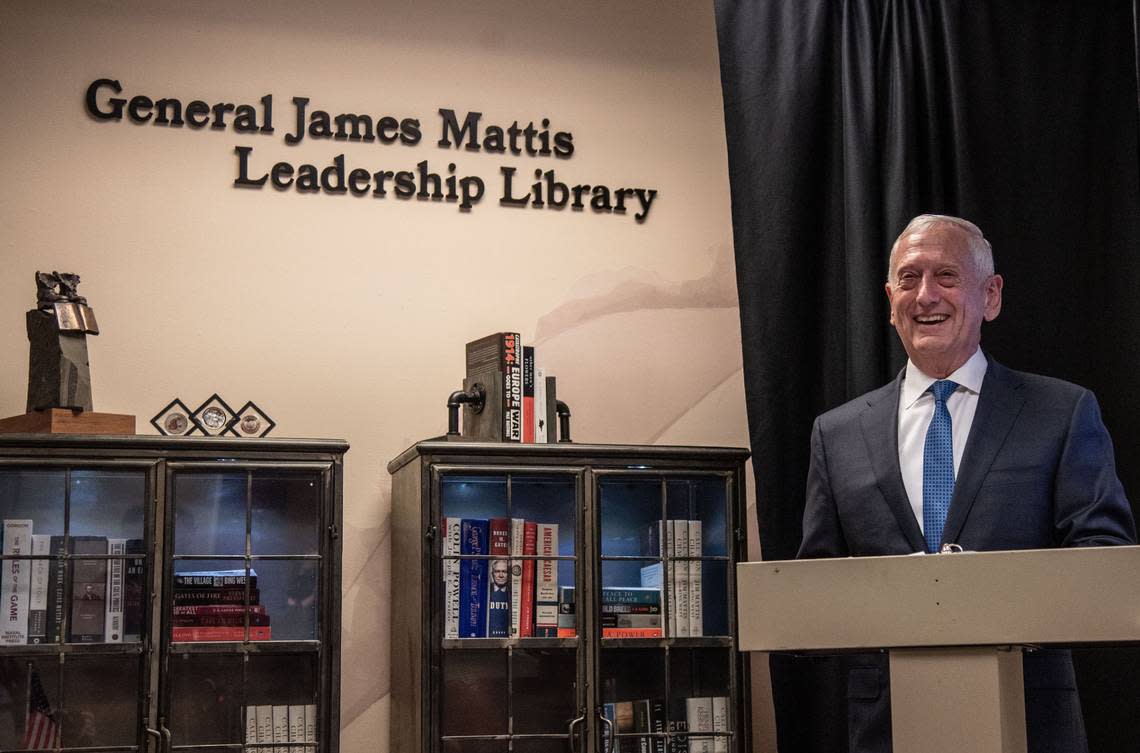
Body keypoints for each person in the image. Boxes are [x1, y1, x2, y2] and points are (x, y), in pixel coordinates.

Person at [797, 214, 1136, 753]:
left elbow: (1105, 559)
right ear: (890, 300)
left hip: (1029, 722)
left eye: (947, 276)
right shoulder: (836, 434)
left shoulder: (1061, 412)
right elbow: (810, 592)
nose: (926, 295)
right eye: (909, 279)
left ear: (991, 295)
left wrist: (982, 592)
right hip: (886, 729)